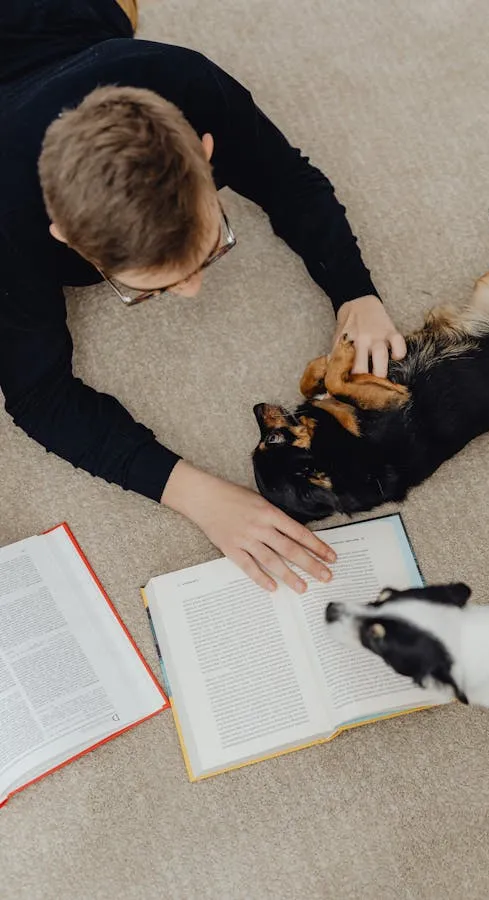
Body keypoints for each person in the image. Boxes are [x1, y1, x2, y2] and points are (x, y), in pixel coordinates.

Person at [0, 0, 406, 594]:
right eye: (155, 286)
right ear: (60, 233)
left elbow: (289, 180)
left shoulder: (186, 81)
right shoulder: (11, 221)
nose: (193, 293)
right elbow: (39, 396)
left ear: (206, 150)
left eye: (212, 247)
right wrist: (192, 491)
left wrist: (355, 293)